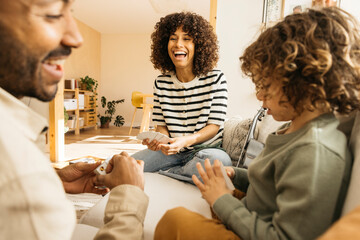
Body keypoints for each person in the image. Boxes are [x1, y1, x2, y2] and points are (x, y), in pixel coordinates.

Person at [154, 7, 360, 240]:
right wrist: (236, 174)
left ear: (304, 83)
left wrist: (222, 200)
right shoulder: (294, 128)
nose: (260, 97)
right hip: (251, 214)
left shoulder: (316, 151)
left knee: (176, 220)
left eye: (266, 85)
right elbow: (270, 180)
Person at [0, 0, 148, 239]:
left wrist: (56, 180)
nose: (76, 38)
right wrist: (129, 193)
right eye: (52, 14)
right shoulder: (17, 176)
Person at [132, 12, 232, 183]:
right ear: (165, 43)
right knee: (126, 164)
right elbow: (161, 125)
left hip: (207, 150)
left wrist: (186, 141)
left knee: (219, 162)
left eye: (187, 38)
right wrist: (161, 141)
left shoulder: (215, 78)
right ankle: (178, 176)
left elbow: (214, 126)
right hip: (171, 152)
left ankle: (164, 176)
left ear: (198, 45)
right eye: (173, 38)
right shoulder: (161, 82)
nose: (178, 44)